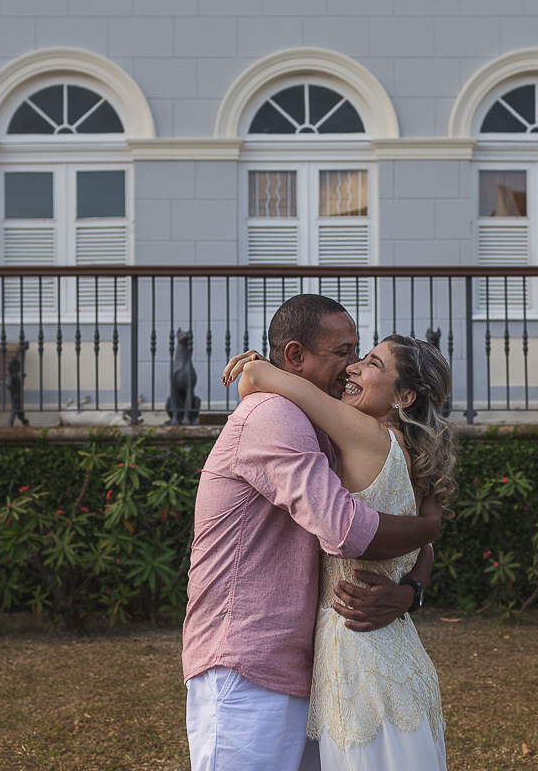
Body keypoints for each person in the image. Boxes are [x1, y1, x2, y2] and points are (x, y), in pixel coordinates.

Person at [182, 294, 441, 771]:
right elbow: (344, 529)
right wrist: (428, 527)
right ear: (296, 356)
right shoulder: (273, 417)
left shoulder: (326, 423)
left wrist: (410, 593)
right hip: (246, 661)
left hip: (313, 667)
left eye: (360, 353)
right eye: (343, 352)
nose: (352, 366)